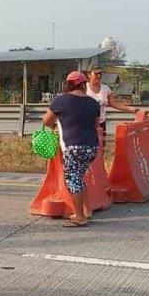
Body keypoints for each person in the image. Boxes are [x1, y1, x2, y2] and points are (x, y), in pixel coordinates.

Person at [42, 71, 100, 227]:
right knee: (79, 177)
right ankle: (87, 211)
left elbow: (46, 120)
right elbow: (96, 125)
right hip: (92, 147)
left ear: (67, 85)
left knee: (73, 180)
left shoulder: (61, 101)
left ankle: (79, 217)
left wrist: (56, 125)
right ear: (83, 85)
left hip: (73, 146)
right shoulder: (93, 103)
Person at [85, 66, 138, 135]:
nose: (99, 76)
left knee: (101, 143)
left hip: (101, 122)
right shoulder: (84, 88)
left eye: (100, 73)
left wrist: (130, 108)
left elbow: (114, 103)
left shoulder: (106, 89)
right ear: (89, 75)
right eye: (96, 73)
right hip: (86, 122)